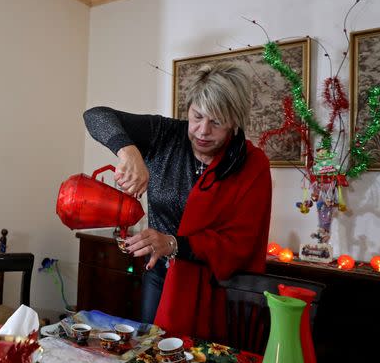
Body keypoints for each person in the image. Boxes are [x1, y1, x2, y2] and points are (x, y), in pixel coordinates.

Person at [83, 62, 272, 340]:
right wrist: (129, 152)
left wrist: (172, 243)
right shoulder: (166, 135)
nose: (202, 131)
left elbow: (240, 243)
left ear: (234, 121)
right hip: (160, 276)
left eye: (216, 122)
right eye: (197, 116)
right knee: (150, 356)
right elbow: (95, 115)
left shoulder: (252, 166)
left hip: (219, 286)